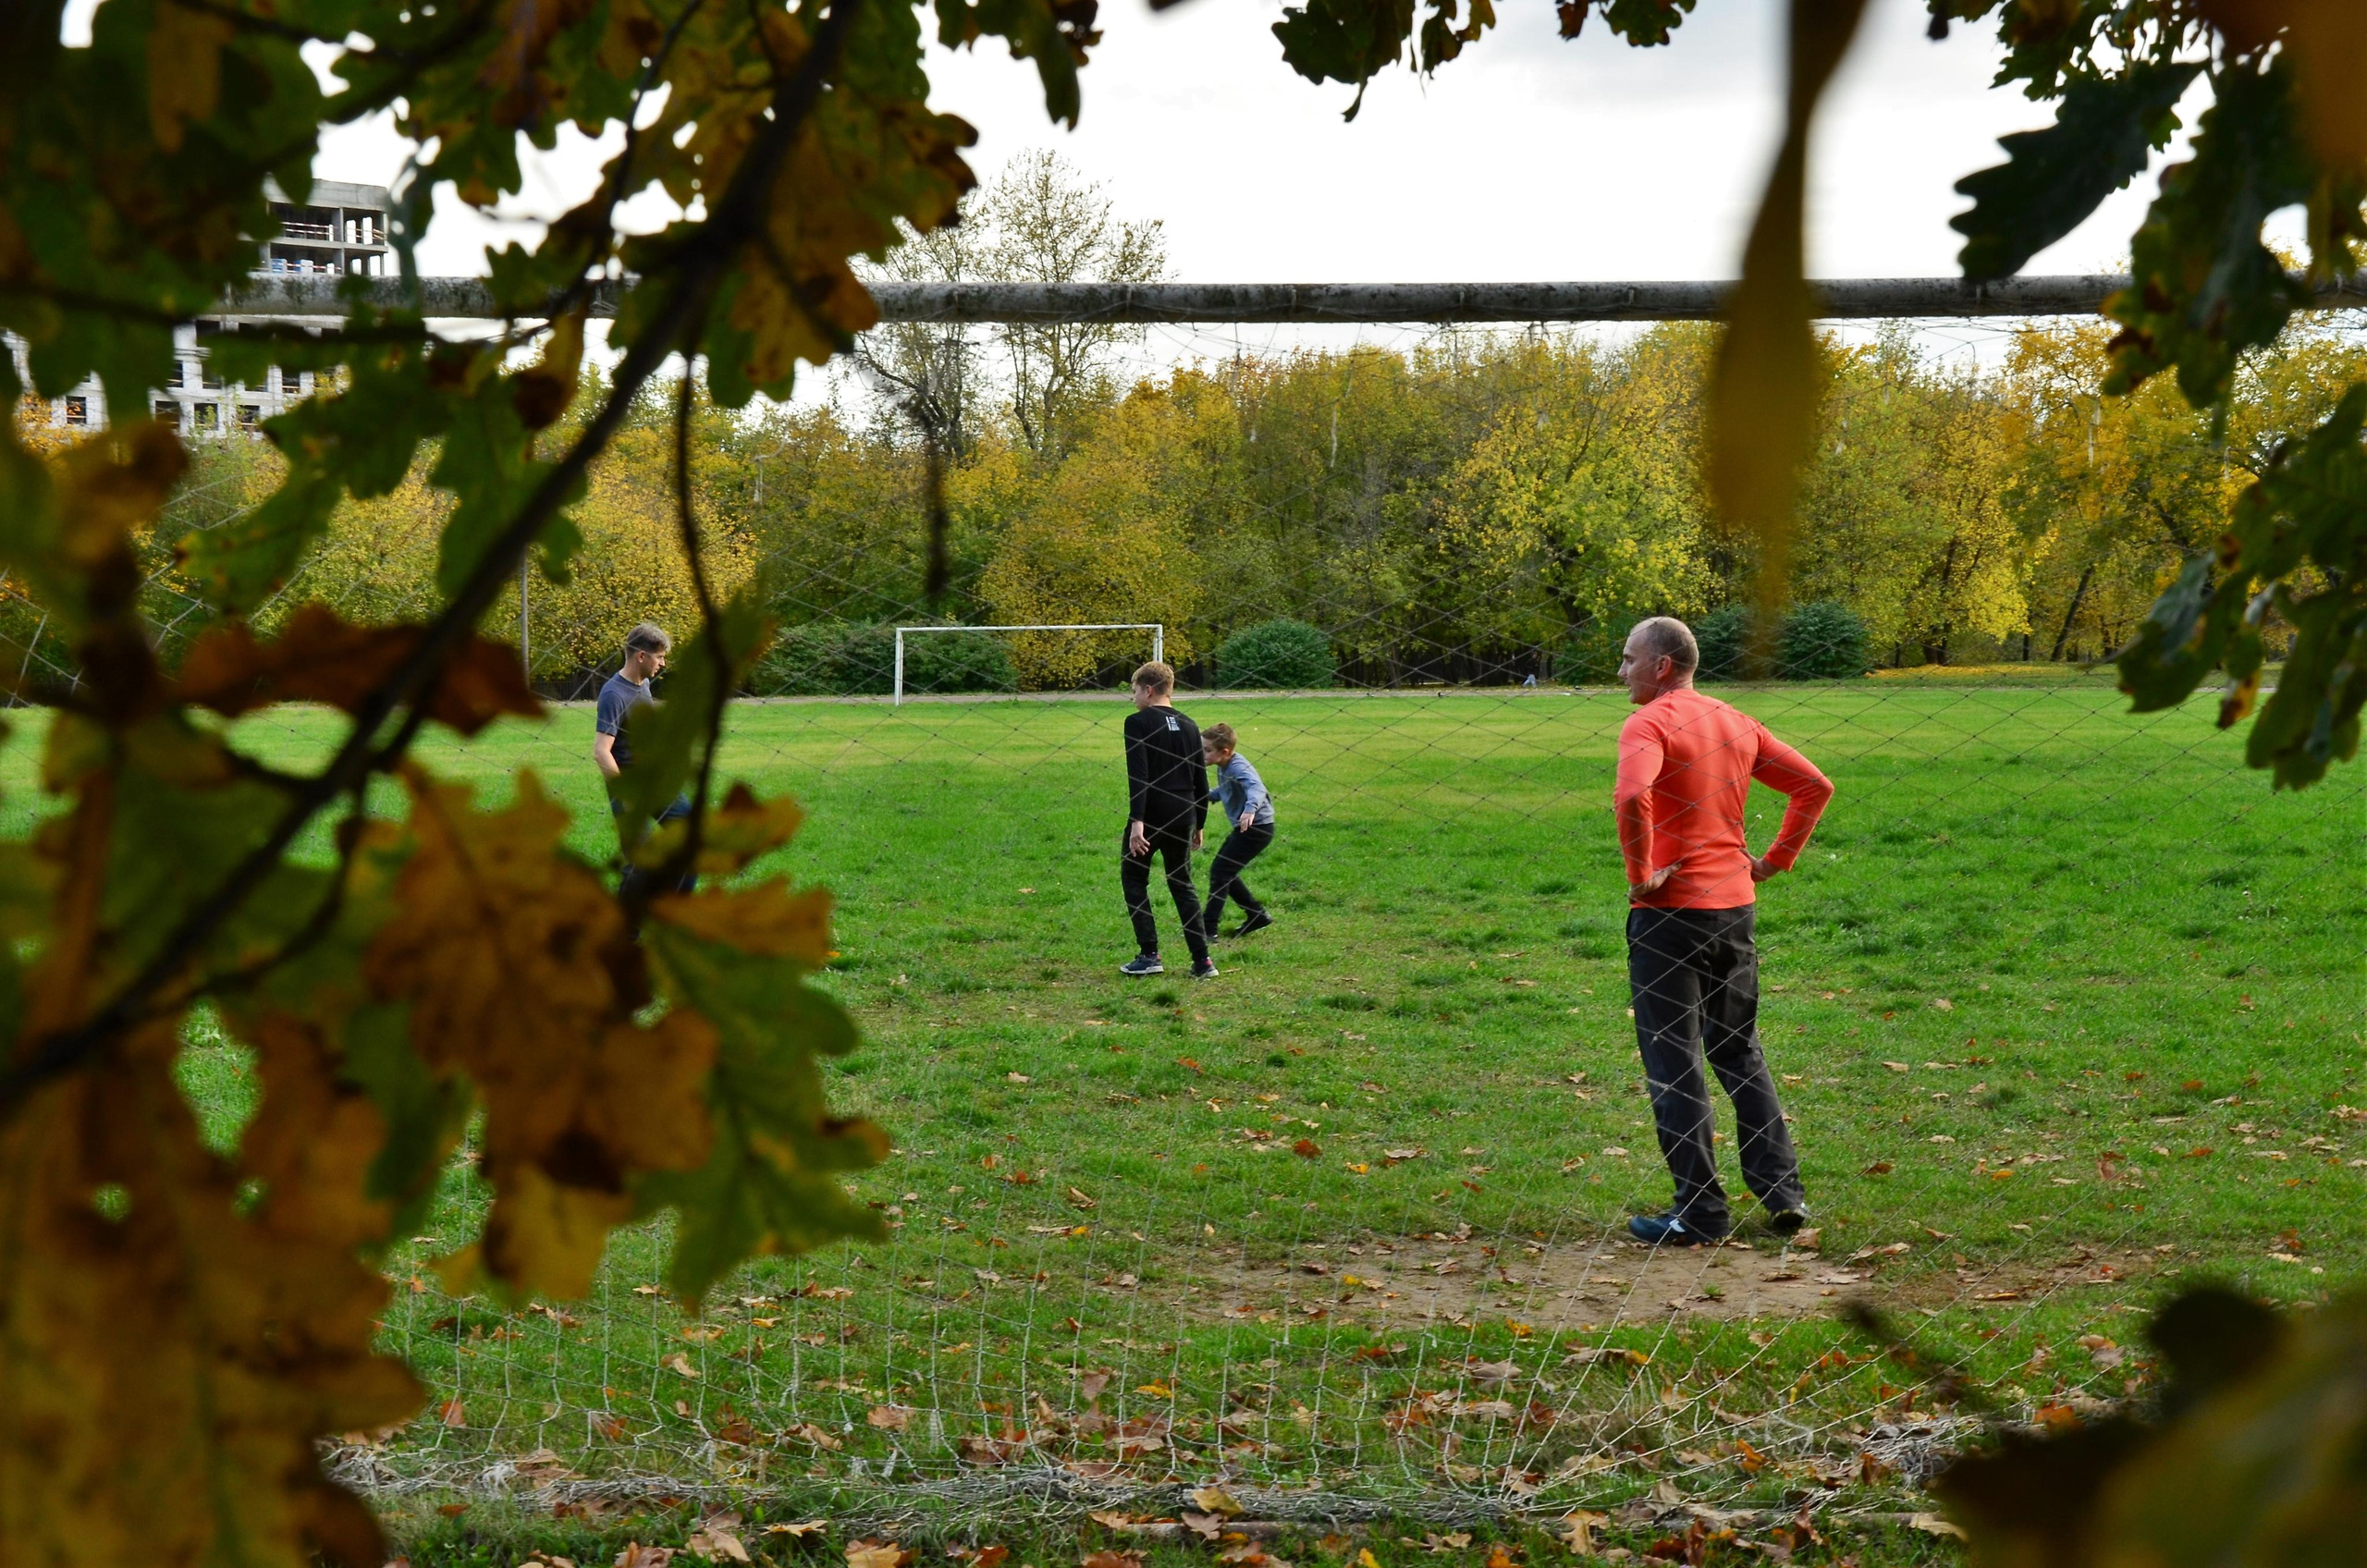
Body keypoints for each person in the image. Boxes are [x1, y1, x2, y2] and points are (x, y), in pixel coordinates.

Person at [1613, 615, 1833, 1246]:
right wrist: (1775, 860)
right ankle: (1784, 1195)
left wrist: (1642, 872)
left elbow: (1632, 797)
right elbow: (1814, 786)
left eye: (1629, 659)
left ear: (1662, 666)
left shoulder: (1648, 721)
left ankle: (1700, 1213)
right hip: (1733, 909)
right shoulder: (1734, 720)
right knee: (1737, 1050)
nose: (1622, 672)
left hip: (1669, 913)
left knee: (1673, 1060)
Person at [1118, 661, 1216, 979]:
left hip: (1152, 816)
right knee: (1182, 883)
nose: (1133, 698)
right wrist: (1199, 822)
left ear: (1148, 690)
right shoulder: (1190, 725)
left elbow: (1140, 776)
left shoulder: (1137, 723)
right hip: (1184, 814)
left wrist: (1137, 822)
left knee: (1134, 879)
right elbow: (1200, 779)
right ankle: (1202, 962)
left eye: (1134, 691)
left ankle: (1149, 955)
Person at [595, 621, 695, 899]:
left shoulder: (643, 685)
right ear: (642, 656)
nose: (663, 663)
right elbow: (601, 751)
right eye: (660, 656)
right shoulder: (613, 694)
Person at [1200, 722, 1275, 938]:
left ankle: (1209, 929)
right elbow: (1225, 791)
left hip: (1256, 827)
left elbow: (1256, 788)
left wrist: (1250, 809)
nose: (1201, 754)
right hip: (1249, 828)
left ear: (1225, 752)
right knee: (1224, 871)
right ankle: (1256, 915)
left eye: (1206, 750)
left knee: (1220, 872)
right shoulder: (1225, 766)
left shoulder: (1237, 767)